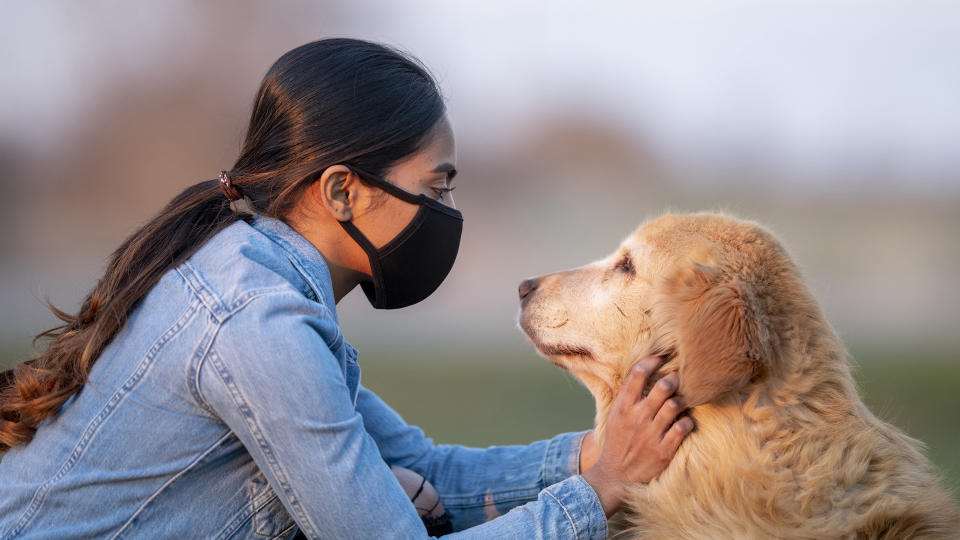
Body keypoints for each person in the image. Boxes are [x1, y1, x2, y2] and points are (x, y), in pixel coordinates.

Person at [0, 38, 693, 539]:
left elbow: (420, 465)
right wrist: (599, 492)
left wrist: (594, 455)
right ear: (341, 192)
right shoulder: (259, 328)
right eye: (434, 187)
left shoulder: (261, 285)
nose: (447, 214)